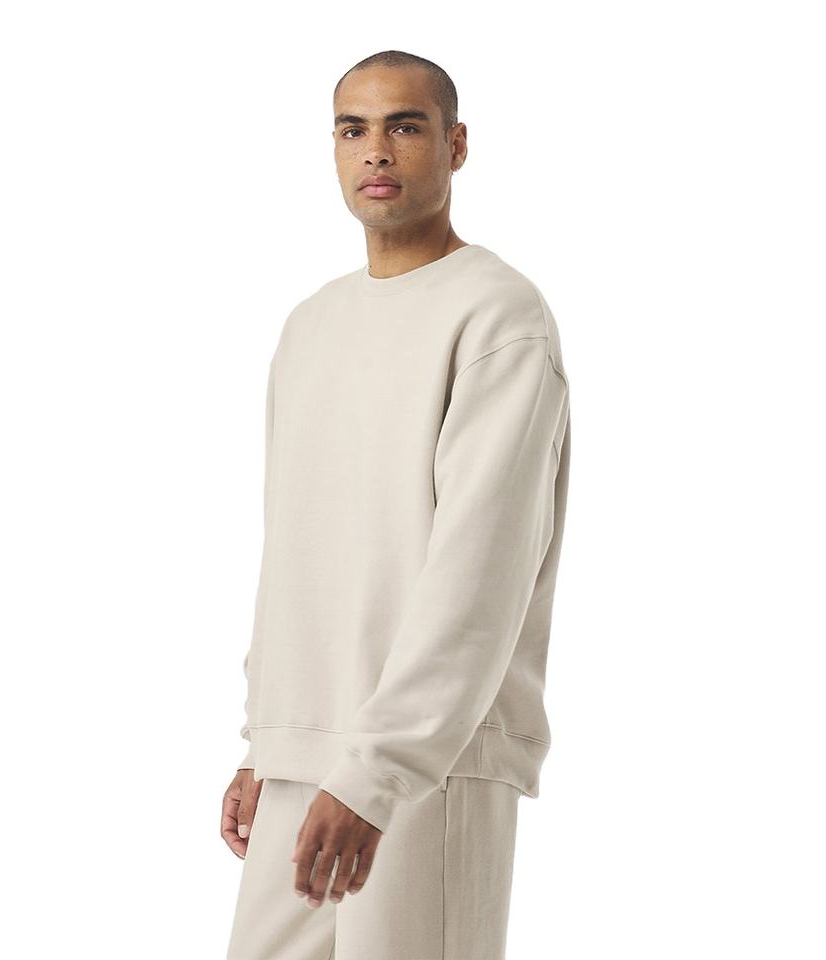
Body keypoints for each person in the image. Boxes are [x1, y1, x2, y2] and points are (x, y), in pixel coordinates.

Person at [221, 49, 571, 960]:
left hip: (428, 762)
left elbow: (481, 568)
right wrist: (270, 739)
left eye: (405, 126)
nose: (376, 150)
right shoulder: (310, 325)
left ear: (457, 146)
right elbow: (294, 550)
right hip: (306, 753)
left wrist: (380, 771)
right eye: (354, 129)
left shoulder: (497, 316)